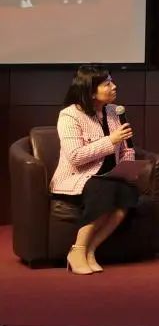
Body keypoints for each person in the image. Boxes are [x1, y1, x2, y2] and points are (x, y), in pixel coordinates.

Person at [49, 65, 136, 275]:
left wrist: (128, 167)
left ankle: (90, 249)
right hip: (77, 178)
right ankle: (77, 250)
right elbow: (75, 156)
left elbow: (126, 149)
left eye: (112, 81)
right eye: (107, 84)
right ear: (91, 91)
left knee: (127, 193)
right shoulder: (70, 115)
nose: (114, 86)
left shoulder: (115, 112)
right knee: (104, 190)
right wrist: (110, 141)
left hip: (108, 178)